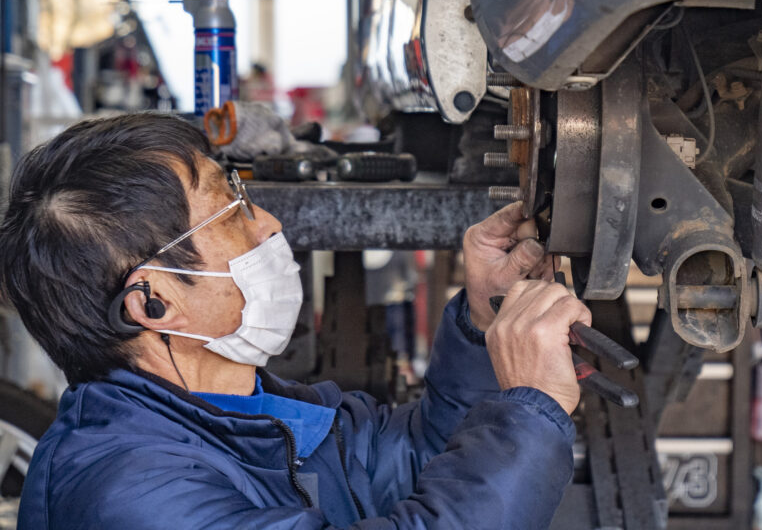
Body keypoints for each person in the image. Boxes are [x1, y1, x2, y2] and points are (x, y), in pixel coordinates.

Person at [0, 112, 591, 529]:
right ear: (154, 302)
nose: (272, 226)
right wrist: (528, 408)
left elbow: (423, 460)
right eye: (233, 215)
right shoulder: (127, 491)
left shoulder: (257, 418)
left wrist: (486, 322)